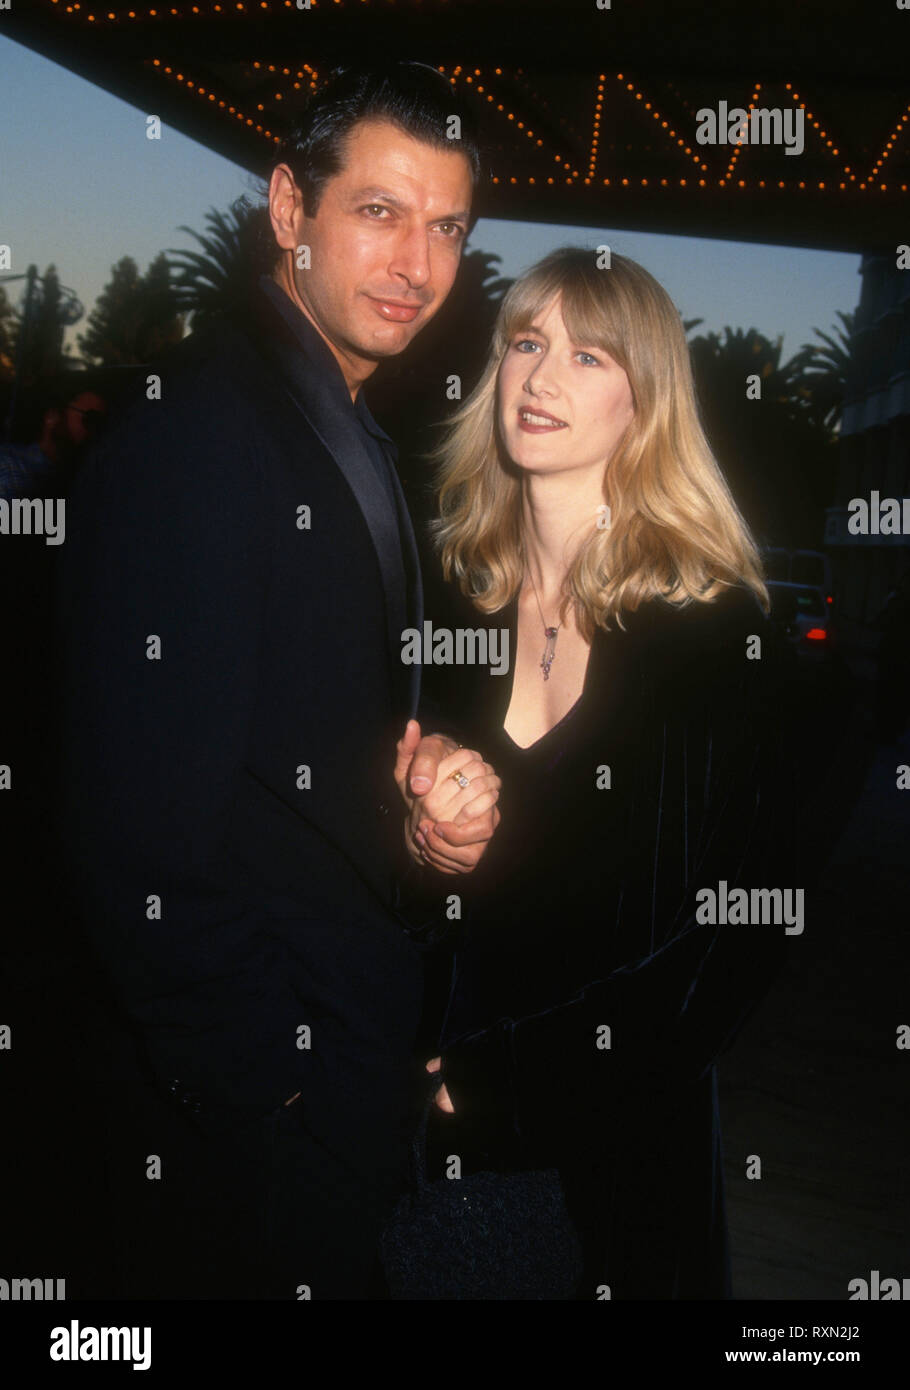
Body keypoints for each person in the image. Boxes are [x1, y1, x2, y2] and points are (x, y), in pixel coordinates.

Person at [54, 62, 501, 1300]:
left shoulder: (339, 423)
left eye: (448, 227)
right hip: (252, 1117)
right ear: (289, 208)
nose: (417, 261)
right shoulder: (200, 440)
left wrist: (407, 780)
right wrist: (276, 1088)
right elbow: (135, 841)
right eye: (378, 211)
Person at [406, 246, 800, 1299]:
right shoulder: (440, 598)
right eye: (526, 343)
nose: (539, 379)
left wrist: (493, 1087)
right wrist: (412, 824)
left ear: (646, 402)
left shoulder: (715, 636)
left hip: (608, 1153)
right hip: (402, 1130)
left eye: (586, 357)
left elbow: (736, 932)